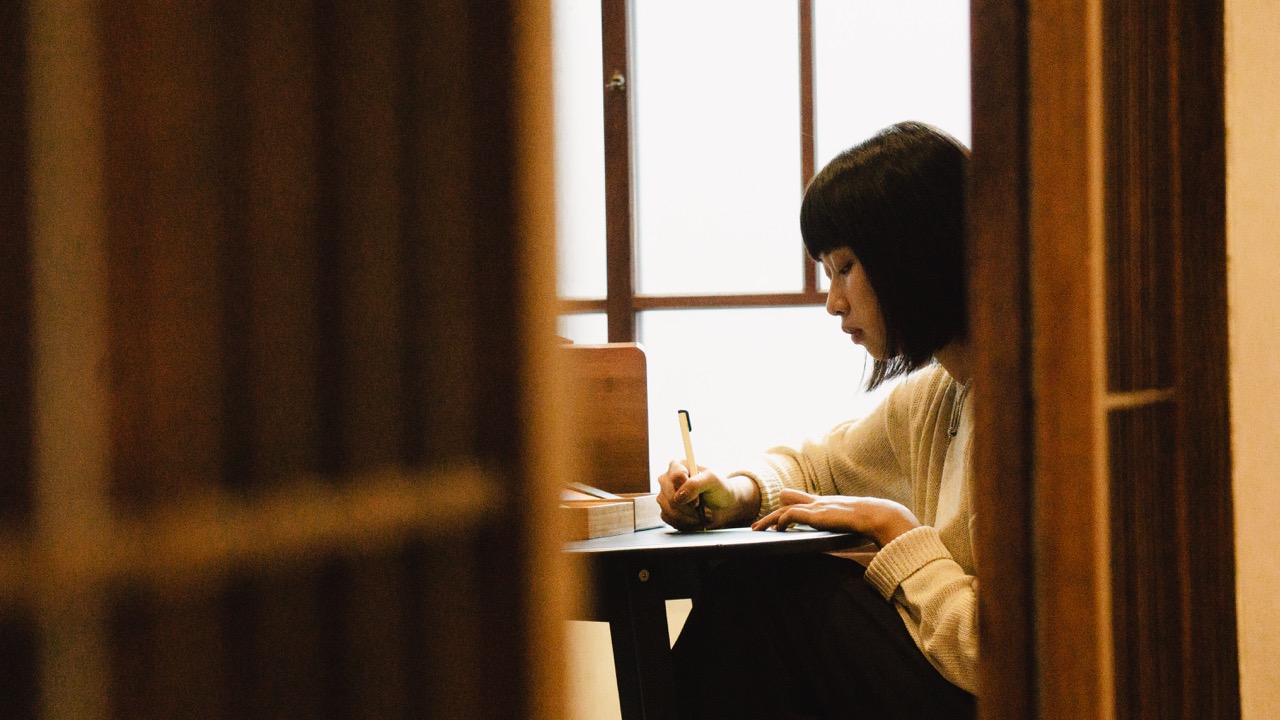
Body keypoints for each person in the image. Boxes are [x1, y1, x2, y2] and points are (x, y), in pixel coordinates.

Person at [656, 121, 977, 719]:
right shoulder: (941, 394)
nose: (833, 302)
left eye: (845, 267)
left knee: (767, 598)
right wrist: (735, 494)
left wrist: (896, 531)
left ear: (913, 253)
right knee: (753, 590)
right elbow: (820, 467)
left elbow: (993, 656)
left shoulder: (1033, 414)